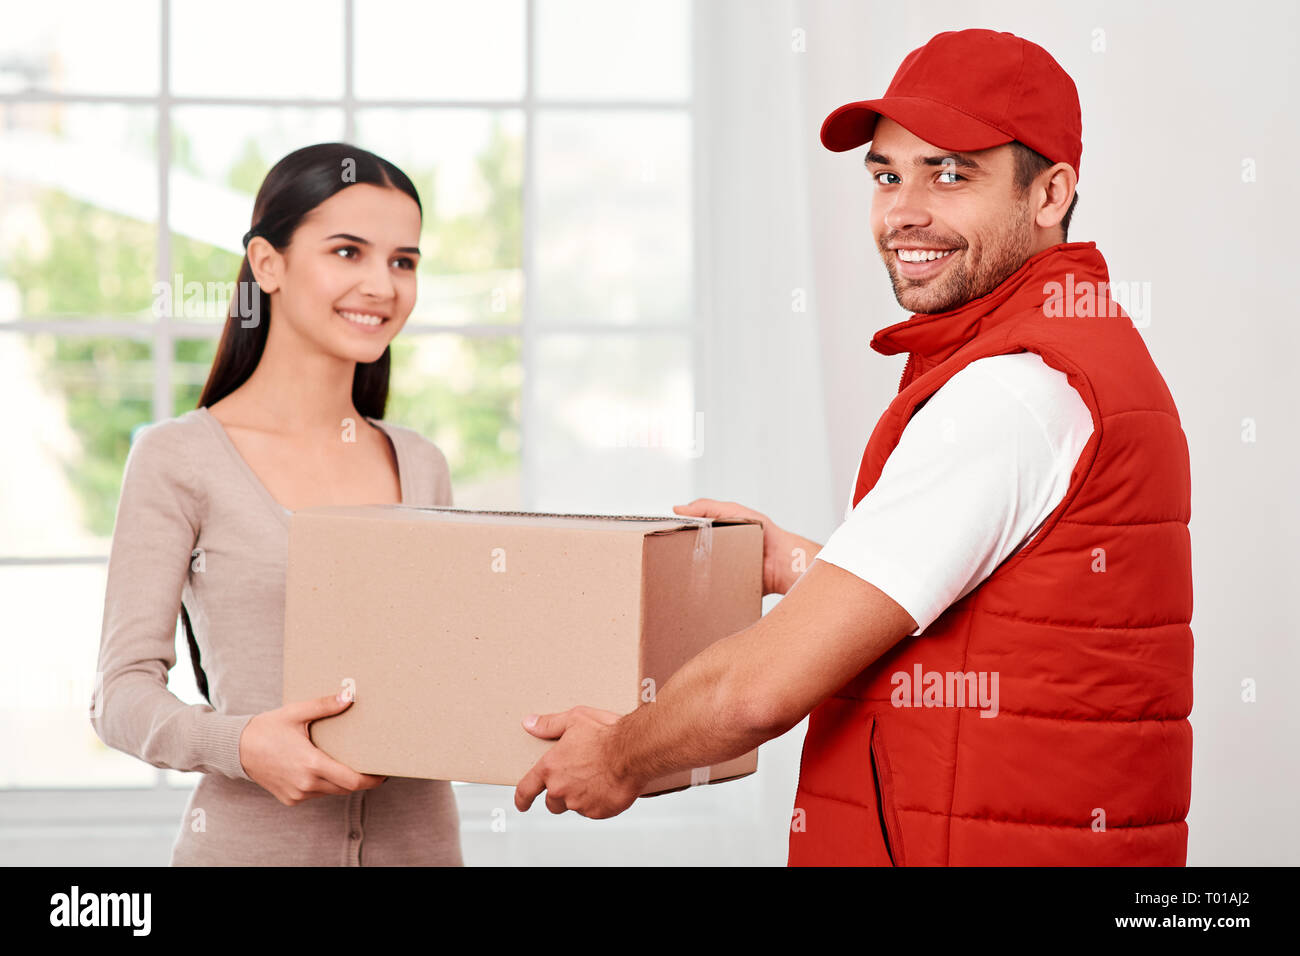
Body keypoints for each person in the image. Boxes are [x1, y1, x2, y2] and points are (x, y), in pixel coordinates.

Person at [512, 29, 1193, 866]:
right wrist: (805, 566)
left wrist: (618, 755)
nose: (903, 209)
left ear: (1050, 194)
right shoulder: (1064, 355)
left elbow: (757, 691)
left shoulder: (1013, 386)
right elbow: (977, 609)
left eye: (951, 171)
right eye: (886, 173)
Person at [91, 143, 463, 866]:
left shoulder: (421, 465)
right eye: (348, 251)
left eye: (403, 261)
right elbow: (120, 696)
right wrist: (242, 743)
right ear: (268, 264)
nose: (381, 286)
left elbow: (454, 667)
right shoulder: (179, 458)